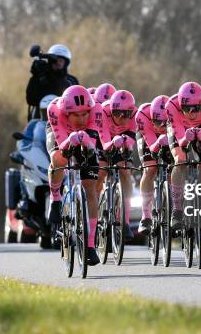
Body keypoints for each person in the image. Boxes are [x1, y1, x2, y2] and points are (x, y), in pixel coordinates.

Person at [46, 85, 103, 265]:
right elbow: (62, 146)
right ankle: (56, 198)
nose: (81, 118)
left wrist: (86, 143)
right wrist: (70, 142)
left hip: (85, 139)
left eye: (84, 113)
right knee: (59, 160)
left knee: (90, 189)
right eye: (76, 115)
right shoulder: (55, 110)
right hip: (61, 134)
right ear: (66, 112)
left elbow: (92, 146)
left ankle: (91, 245)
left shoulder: (96, 110)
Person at [165, 82, 201, 233]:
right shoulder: (171, 105)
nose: (191, 113)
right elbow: (180, 138)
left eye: (196, 108)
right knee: (180, 160)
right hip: (179, 129)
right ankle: (177, 209)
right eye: (186, 108)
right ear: (180, 105)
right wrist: (186, 139)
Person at [97, 89, 137, 241]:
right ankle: (96, 202)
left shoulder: (135, 114)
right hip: (103, 141)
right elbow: (103, 138)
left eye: (125, 114)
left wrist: (126, 144)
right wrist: (110, 144)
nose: (121, 117)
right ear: (111, 109)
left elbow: (132, 136)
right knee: (100, 171)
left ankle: (125, 220)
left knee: (125, 172)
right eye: (117, 113)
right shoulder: (103, 112)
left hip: (123, 140)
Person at [135, 95, 172, 234]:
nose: (161, 127)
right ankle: (145, 216)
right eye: (158, 122)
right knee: (150, 168)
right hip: (148, 136)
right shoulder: (143, 115)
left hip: (170, 135)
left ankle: (171, 207)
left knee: (174, 169)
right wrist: (159, 142)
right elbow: (152, 148)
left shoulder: (175, 114)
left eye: (165, 123)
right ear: (152, 118)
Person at [26, 44, 79, 120]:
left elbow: (77, 104)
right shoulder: (40, 76)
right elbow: (31, 100)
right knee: (30, 129)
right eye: (55, 60)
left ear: (66, 63)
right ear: (50, 61)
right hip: (39, 119)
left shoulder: (71, 80)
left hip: (65, 121)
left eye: (61, 60)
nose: (58, 63)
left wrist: (54, 78)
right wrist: (36, 76)